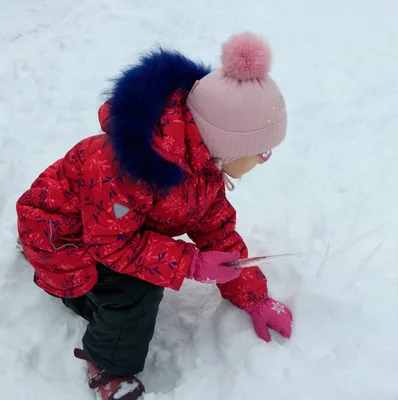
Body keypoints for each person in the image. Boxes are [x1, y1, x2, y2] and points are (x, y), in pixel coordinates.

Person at [15, 32, 292, 400]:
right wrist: (189, 264)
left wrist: (252, 296)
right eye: (261, 152)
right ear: (229, 142)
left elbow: (217, 231)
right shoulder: (126, 169)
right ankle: (108, 366)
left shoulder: (201, 164)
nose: (262, 160)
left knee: (147, 265)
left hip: (108, 228)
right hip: (60, 238)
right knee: (137, 288)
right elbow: (112, 245)